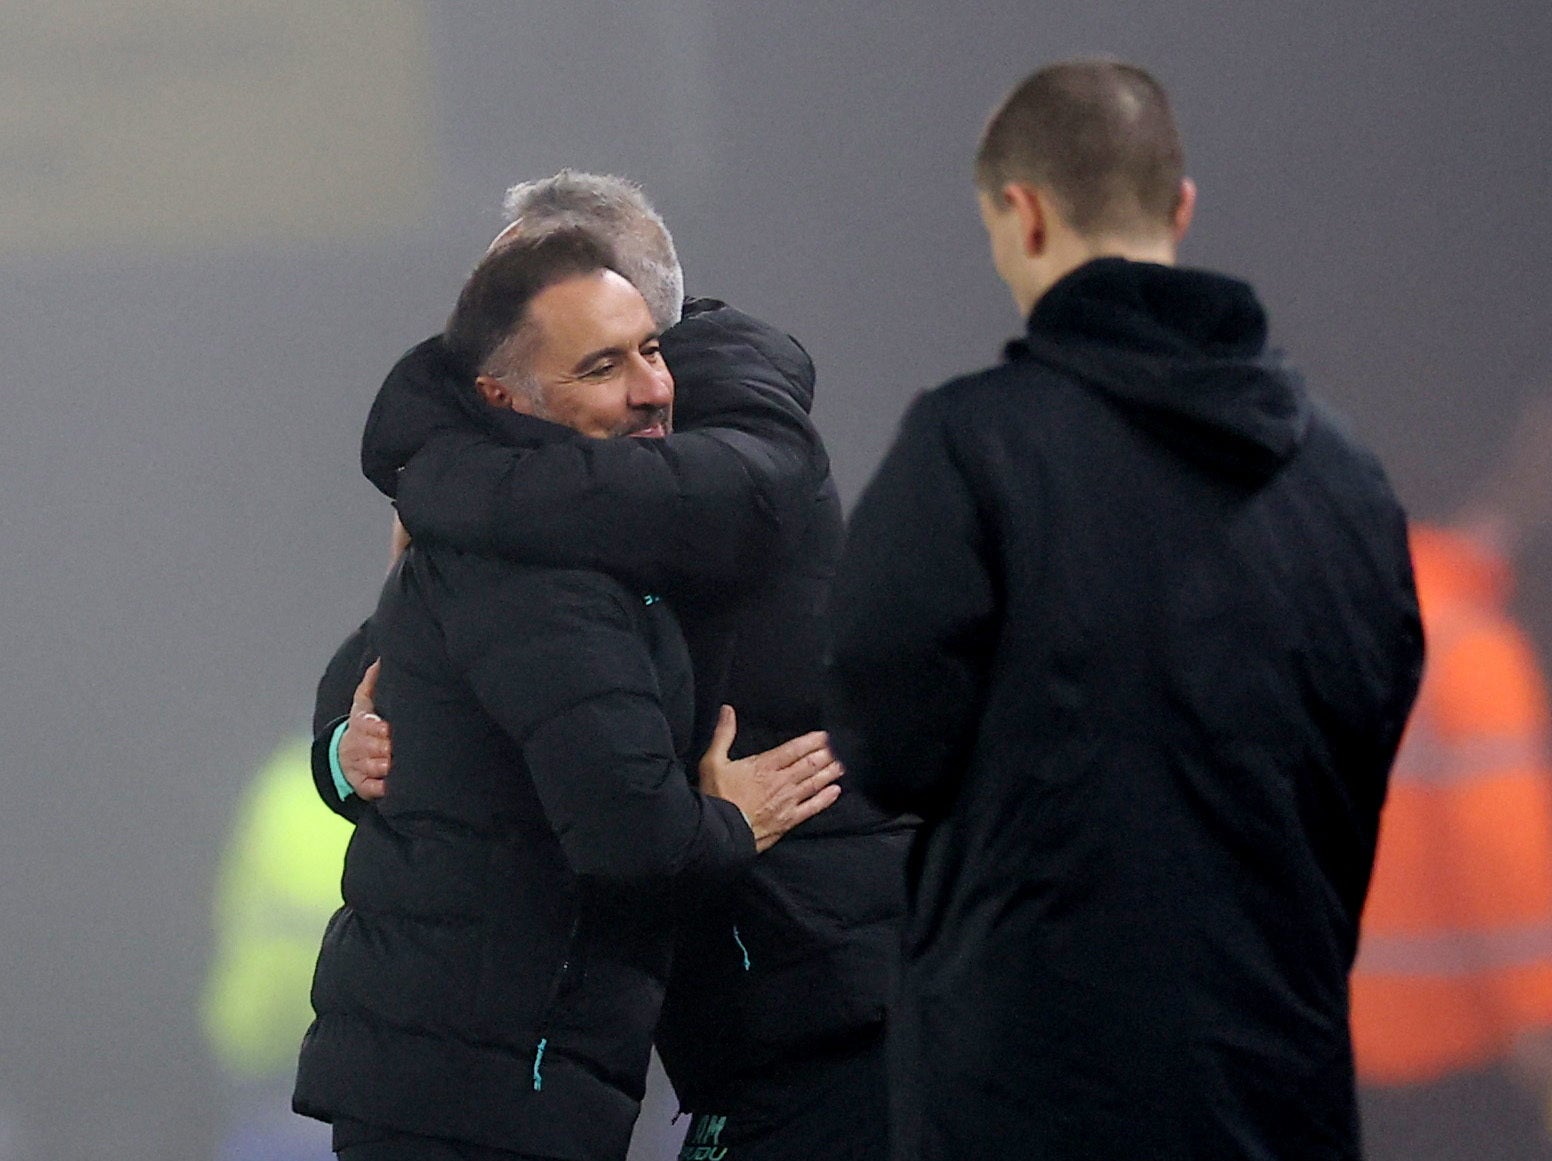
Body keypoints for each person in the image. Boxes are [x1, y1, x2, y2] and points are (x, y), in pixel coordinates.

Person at [824, 58, 1424, 1160]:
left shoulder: (969, 448)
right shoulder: (1348, 481)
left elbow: (883, 742)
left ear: (1024, 212)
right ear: (1180, 207)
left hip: (1028, 1098)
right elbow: (1362, 743)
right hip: (1277, 1091)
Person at [317, 172, 912, 1161]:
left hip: (818, 999)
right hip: (756, 1013)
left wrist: (439, 471)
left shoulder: (699, 455)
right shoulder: (547, 484)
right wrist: (345, 746)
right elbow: (407, 647)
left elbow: (475, 593)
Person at [1353, 398, 1552, 1161]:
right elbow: (1506, 872)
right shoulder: (1468, 653)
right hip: (1452, 1065)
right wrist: (1539, 1034)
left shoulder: (1327, 618)